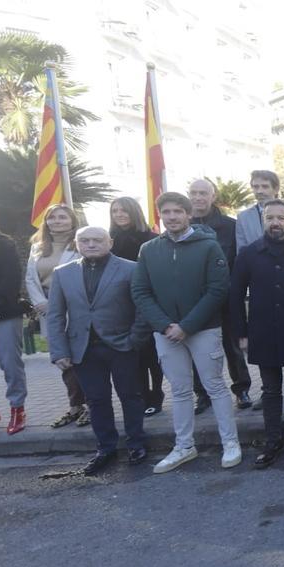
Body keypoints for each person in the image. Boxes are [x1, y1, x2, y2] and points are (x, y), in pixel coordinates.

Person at [132, 192, 241, 473]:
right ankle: (184, 446)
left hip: (203, 329)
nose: (172, 217)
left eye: (177, 211)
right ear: (160, 215)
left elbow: (218, 290)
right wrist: (166, 326)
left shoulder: (208, 246)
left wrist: (187, 326)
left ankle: (230, 443)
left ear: (188, 214)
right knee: (180, 391)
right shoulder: (149, 250)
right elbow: (141, 291)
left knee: (215, 386)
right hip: (166, 332)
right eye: (166, 212)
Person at [47, 227, 148, 474]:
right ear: (76, 243)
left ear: (110, 242)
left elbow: (142, 308)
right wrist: (59, 351)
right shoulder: (62, 274)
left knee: (130, 396)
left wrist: (135, 339)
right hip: (83, 350)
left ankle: (136, 444)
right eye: (85, 240)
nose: (91, 244)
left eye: (97, 240)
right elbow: (56, 315)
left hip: (122, 345)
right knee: (96, 400)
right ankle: (106, 448)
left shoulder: (130, 268)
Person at [230, 200, 284, 467]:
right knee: (270, 391)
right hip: (263, 333)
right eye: (270, 217)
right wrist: (241, 333)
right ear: (263, 221)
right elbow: (235, 296)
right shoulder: (248, 254)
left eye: (281, 217)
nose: (275, 222)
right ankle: (273, 441)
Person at [188, 178, 252, 411]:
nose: (198, 197)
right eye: (193, 193)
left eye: (203, 193)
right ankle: (202, 394)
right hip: (194, 301)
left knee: (232, 346)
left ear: (213, 196)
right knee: (197, 349)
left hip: (226, 298)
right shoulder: (181, 225)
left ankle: (242, 389)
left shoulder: (231, 226)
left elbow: (238, 261)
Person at [26, 204, 86, 428]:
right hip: (47, 307)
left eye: (63, 217)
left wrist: (60, 304)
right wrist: (40, 302)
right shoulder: (38, 247)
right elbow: (31, 278)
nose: (57, 221)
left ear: (72, 221)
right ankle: (75, 406)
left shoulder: (79, 244)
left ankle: (91, 405)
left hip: (75, 307)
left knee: (82, 357)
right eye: (52, 217)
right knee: (63, 359)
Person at [109, 196, 163, 417]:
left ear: (134, 212)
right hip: (122, 305)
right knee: (133, 355)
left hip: (150, 301)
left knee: (152, 355)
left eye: (124, 210)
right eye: (115, 211)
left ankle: (156, 395)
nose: (119, 214)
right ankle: (141, 395)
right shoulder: (109, 240)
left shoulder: (151, 238)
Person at [0, 216, 27, 435]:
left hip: (2, 310)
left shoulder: (4, 244)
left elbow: (12, 279)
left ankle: (18, 408)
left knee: (10, 362)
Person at [235, 169, 284, 251]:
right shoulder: (243, 217)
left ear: (276, 189)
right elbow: (241, 251)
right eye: (255, 187)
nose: (259, 191)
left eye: (265, 186)